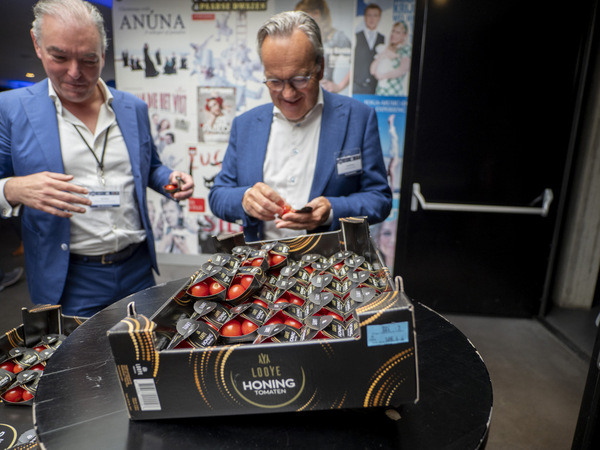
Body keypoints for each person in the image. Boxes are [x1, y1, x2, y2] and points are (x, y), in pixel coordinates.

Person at [0, 0, 194, 317]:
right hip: (69, 278)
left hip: (137, 268)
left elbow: (150, 167)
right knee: (79, 352)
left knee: (146, 346)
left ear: (103, 53)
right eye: (59, 57)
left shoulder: (132, 108)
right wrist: (13, 189)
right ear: (37, 44)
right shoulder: (10, 109)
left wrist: (169, 179)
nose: (74, 73)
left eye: (89, 60)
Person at [208, 11, 392, 242]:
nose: (287, 93)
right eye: (275, 81)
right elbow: (218, 196)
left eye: (299, 79)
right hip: (262, 261)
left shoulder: (358, 118)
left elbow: (379, 199)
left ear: (320, 68)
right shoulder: (245, 125)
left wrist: (332, 210)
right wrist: (245, 199)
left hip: (330, 262)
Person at [294, 0, 351, 94]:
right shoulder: (300, 38)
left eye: (302, 17)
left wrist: (339, 86)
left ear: (316, 14)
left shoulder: (337, 37)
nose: (298, 22)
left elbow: (356, 63)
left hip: (325, 93)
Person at [370, 21, 412, 97]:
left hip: (394, 94)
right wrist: (383, 55)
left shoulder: (406, 49)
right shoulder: (385, 48)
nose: (393, 34)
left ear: (404, 35)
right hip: (380, 93)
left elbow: (402, 70)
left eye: (397, 32)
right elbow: (372, 70)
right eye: (393, 31)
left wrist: (382, 76)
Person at [353, 4, 385, 95]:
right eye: (369, 15)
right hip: (357, 86)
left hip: (375, 88)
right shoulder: (356, 36)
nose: (372, 19)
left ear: (379, 18)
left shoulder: (383, 39)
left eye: (375, 15)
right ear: (365, 17)